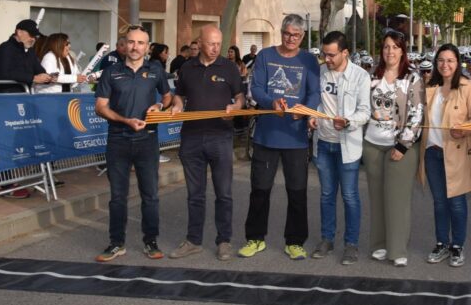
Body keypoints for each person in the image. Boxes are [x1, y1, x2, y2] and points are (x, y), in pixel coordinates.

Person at [240, 14, 321, 261]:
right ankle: (255, 238)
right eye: (287, 34)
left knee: (297, 192)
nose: (291, 39)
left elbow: (314, 91)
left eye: (296, 35)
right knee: (260, 190)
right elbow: (256, 89)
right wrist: (271, 102)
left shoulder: (309, 60)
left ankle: (295, 242)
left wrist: (304, 111)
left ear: (303, 36)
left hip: (296, 138)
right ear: (282, 32)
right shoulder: (265, 55)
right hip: (266, 136)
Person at [93, 25, 173, 262]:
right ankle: (116, 243)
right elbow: (100, 107)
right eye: (131, 42)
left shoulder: (156, 70)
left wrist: (159, 106)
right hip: (118, 140)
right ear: (124, 44)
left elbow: (167, 97)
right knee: (118, 196)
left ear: (147, 48)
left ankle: (151, 241)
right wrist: (125, 120)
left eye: (140, 43)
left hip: (147, 140)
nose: (135, 47)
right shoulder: (111, 72)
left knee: (150, 195)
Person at [169, 25, 244, 262]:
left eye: (218, 44)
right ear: (199, 43)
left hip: (220, 137)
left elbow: (240, 96)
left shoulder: (230, 67)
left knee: (224, 193)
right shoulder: (187, 67)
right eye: (210, 43)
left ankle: (224, 241)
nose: (215, 49)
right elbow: (179, 94)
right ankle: (193, 241)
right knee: (195, 194)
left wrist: (236, 107)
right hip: (191, 138)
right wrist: (177, 104)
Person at [418, 44, 471, 268]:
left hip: (457, 152)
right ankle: (441, 243)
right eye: (441, 60)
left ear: (458, 63)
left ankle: (457, 245)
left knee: (456, 201)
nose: (444, 65)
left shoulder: (467, 86)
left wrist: (465, 129)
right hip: (432, 152)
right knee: (439, 203)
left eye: (450, 60)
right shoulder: (429, 87)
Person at [308, 31, 371, 265]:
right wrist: (311, 117)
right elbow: (313, 100)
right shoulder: (320, 72)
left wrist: (348, 121)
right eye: (325, 54)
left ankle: (351, 244)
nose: (327, 59)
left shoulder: (361, 76)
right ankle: (326, 239)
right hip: (323, 144)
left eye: (332, 55)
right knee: (326, 195)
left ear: (345, 53)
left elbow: (365, 111)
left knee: (350, 196)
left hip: (348, 147)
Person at [363, 29, 424, 267]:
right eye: (387, 46)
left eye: (395, 47)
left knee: (397, 199)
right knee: (377, 198)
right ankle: (379, 244)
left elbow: (417, 114)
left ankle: (397, 249)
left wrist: (403, 144)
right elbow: (362, 107)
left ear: (403, 50)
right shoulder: (371, 75)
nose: (390, 51)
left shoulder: (412, 77)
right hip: (372, 145)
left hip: (400, 148)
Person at [0, 19, 54, 93]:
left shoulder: (30, 51)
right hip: (4, 94)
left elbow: (39, 70)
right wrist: (32, 78)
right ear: (19, 32)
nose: (33, 39)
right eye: (31, 35)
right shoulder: (6, 48)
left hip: (23, 94)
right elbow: (4, 73)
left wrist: (47, 78)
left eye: (35, 37)